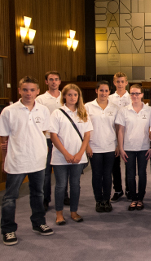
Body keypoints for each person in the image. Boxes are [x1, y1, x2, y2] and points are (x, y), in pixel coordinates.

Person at [0, 76, 54, 245]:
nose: (28, 93)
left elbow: (43, 132)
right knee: (10, 197)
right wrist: (4, 160)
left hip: (37, 160)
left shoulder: (43, 110)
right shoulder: (9, 111)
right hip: (17, 161)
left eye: (32, 90)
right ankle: (8, 230)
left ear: (37, 91)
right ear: (19, 90)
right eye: (25, 90)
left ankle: (39, 223)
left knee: (38, 194)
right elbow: (3, 140)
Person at [50, 84, 93, 225]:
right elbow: (53, 135)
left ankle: (74, 212)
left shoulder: (83, 112)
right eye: (70, 95)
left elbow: (87, 135)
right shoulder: (57, 113)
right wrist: (66, 153)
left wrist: (81, 153)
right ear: (64, 96)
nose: (72, 97)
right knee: (61, 185)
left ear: (79, 97)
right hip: (60, 157)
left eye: (75, 95)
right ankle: (59, 214)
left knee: (75, 185)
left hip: (78, 156)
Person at [116, 84, 151, 211]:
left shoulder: (149, 110)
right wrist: (120, 148)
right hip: (129, 148)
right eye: (132, 93)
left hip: (144, 147)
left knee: (142, 174)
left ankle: (141, 199)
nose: (135, 96)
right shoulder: (123, 110)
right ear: (130, 95)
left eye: (137, 93)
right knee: (130, 174)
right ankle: (133, 199)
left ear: (142, 95)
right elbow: (120, 130)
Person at [85, 81, 119, 213]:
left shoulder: (114, 108)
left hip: (110, 146)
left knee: (107, 174)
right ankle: (98, 200)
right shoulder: (88, 107)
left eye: (106, 91)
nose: (104, 93)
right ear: (96, 91)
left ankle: (107, 200)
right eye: (101, 90)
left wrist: (117, 145)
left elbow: (117, 128)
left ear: (109, 92)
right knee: (97, 174)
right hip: (94, 146)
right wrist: (87, 145)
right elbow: (85, 128)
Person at [35, 71, 68, 210]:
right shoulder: (41, 99)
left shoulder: (65, 97)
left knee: (64, 169)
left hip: (64, 139)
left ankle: (64, 195)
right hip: (48, 139)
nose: (54, 82)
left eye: (56, 79)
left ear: (60, 82)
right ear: (46, 82)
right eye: (51, 79)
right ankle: (45, 198)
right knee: (47, 171)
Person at [109, 72, 131, 202]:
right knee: (115, 166)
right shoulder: (110, 98)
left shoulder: (131, 97)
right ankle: (118, 189)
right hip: (114, 135)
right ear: (114, 83)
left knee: (129, 165)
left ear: (126, 83)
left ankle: (129, 189)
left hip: (129, 136)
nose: (120, 84)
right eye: (118, 81)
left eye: (123, 81)